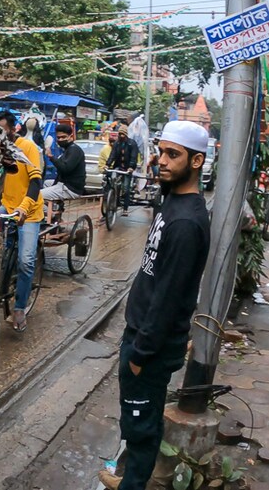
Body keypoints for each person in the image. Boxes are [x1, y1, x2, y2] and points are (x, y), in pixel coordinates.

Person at [98, 121, 211, 490]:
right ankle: (129, 477)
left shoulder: (187, 223)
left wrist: (140, 353)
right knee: (138, 421)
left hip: (149, 348)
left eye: (172, 155)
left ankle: (131, 484)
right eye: (160, 151)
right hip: (142, 339)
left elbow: (169, 297)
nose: (160, 161)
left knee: (141, 427)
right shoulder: (172, 201)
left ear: (196, 161)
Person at [0, 111, 44, 332]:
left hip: (28, 210)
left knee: (26, 260)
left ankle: (20, 307)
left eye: (4, 130)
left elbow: (36, 182)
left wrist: (23, 207)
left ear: (14, 129)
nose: (1, 135)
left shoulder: (27, 147)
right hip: (6, 205)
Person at [42, 123, 85, 201]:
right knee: (46, 183)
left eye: (63, 137)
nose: (60, 140)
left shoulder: (74, 150)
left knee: (37, 196)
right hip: (63, 184)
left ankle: (47, 212)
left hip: (70, 188)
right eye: (58, 137)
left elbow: (65, 168)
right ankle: (55, 208)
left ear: (70, 137)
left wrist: (51, 157)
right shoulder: (66, 149)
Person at [107, 126, 139, 216]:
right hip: (118, 167)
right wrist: (108, 164)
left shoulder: (132, 144)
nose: (121, 136)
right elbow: (112, 155)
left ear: (126, 135)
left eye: (122, 134)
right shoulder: (117, 143)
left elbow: (134, 156)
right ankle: (114, 198)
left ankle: (125, 208)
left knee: (126, 188)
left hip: (128, 168)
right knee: (113, 181)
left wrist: (131, 167)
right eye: (119, 134)